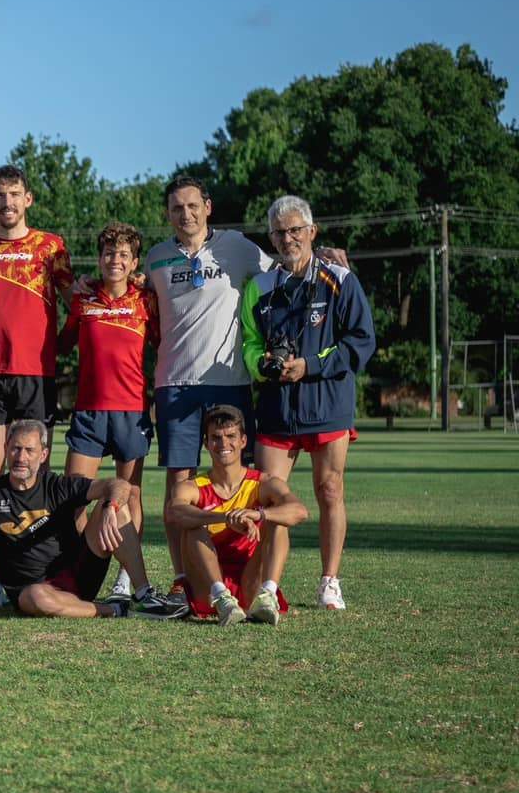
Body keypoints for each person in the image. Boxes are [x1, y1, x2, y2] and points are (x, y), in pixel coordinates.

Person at [140, 174, 272, 603]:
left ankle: (245, 575)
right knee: (179, 483)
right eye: (177, 208)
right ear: (168, 214)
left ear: (208, 207)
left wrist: (322, 257)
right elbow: (130, 294)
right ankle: (183, 579)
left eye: (193, 205)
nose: (186, 214)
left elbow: (282, 270)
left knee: (240, 480)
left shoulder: (238, 246)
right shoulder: (156, 257)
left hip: (229, 383)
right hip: (175, 385)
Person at [243, 195, 375, 611]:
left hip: (328, 403)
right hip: (277, 408)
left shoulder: (341, 280)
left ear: (312, 232)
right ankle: (269, 586)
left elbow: (361, 341)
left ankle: (329, 581)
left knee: (330, 489)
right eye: (279, 232)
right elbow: (248, 343)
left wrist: (311, 366)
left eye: (296, 230)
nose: (288, 239)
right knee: (270, 498)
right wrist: (262, 365)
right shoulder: (260, 286)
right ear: (271, 238)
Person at [0, 164, 75, 606]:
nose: (7, 202)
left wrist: (62, 345)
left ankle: (42, 570)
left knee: (34, 473)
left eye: (13, 194)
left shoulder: (51, 247)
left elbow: (77, 305)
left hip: (35, 375)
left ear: (28, 199)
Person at [0, 420, 184, 620]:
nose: (21, 457)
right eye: (15, 448)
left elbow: (119, 484)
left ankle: (143, 596)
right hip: (31, 592)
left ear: (43, 454)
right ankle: (114, 610)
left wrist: (111, 507)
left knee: (113, 504)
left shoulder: (57, 485)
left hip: (79, 576)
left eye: (29, 450)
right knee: (36, 597)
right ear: (5, 449)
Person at [57, 221, 157, 597]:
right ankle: (79, 569)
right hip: (89, 412)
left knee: (130, 495)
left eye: (124, 255)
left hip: (131, 411)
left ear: (134, 262)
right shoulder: (83, 299)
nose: (116, 260)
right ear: (99, 259)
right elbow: (62, 344)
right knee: (73, 498)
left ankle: (126, 578)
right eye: (109, 253)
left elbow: (164, 343)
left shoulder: (146, 300)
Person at [166, 406, 308, 625]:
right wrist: (225, 517)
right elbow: (174, 512)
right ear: (206, 444)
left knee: (277, 520)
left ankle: (267, 596)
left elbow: (299, 511)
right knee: (192, 525)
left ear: (243, 441)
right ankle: (223, 598)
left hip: (252, 580)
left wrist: (258, 514)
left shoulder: (262, 482)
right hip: (209, 588)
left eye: (231, 436)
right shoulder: (193, 486)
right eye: (216, 438)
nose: (224, 444)